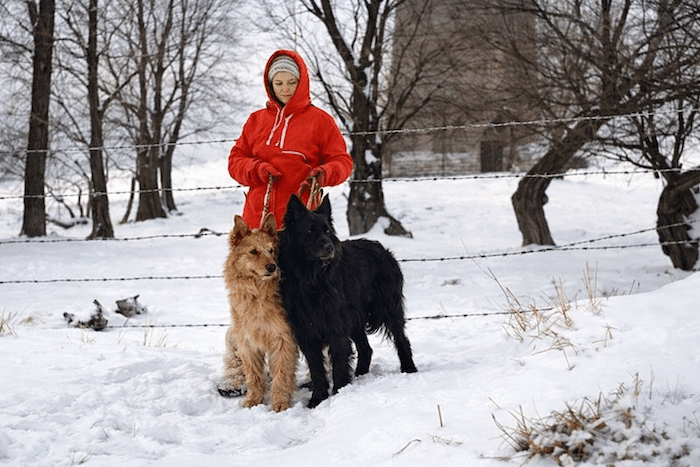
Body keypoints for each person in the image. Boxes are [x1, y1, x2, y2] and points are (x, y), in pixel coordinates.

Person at [228, 49, 353, 229]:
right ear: (270, 84)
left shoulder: (320, 120)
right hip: (258, 221)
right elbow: (235, 161)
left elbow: (342, 162)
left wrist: (324, 173)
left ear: (301, 83)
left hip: (301, 222)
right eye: (278, 83)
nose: (285, 89)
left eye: (291, 82)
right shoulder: (256, 120)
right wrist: (257, 169)